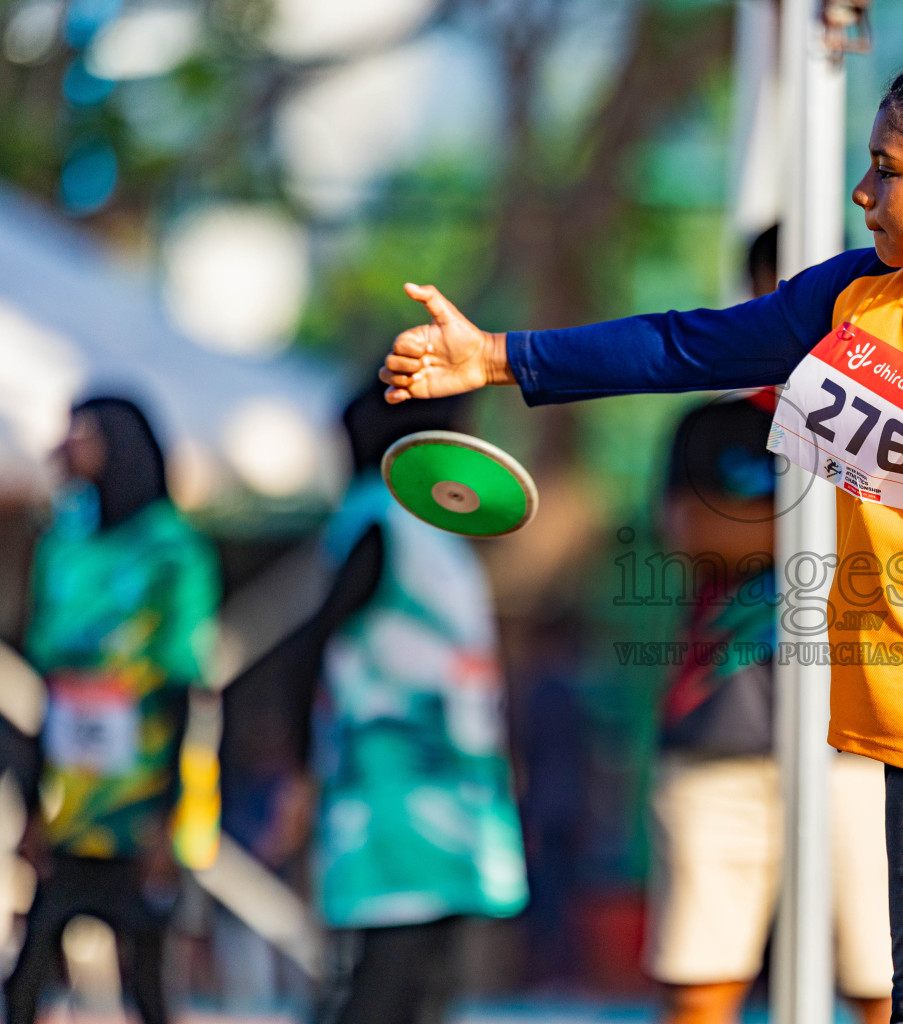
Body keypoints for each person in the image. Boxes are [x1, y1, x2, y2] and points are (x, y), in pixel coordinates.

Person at [379, 44, 903, 1024]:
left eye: (889, 170)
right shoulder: (859, 300)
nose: (860, 190)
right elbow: (692, 343)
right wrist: (498, 355)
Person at [221, 387, 528, 1024]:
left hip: (451, 792)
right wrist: (304, 768)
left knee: (431, 976)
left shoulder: (426, 528)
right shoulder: (380, 520)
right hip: (393, 796)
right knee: (391, 976)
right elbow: (313, 647)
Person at [648, 390, 892, 1024]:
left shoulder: (878, 420)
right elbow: (697, 532)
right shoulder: (714, 425)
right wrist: (834, 517)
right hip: (719, 738)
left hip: (864, 740)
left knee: (889, 978)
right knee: (701, 978)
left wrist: (767, 519)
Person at [6, 397, 221, 1024]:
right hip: (70, 803)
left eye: (83, 434)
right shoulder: (63, 545)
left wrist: (169, 813)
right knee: (29, 974)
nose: (66, 447)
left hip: (142, 802)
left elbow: (183, 686)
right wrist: (31, 805)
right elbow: (51, 690)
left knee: (149, 981)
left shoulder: (173, 551)